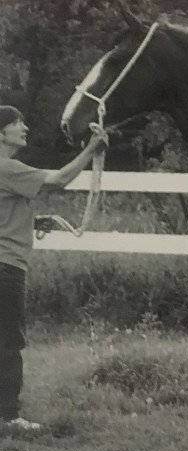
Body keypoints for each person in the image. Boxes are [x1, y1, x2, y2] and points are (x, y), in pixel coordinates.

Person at [0, 105, 107, 429]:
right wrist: (92, 148)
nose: (25, 127)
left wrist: (34, 219)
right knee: (9, 342)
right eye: (17, 123)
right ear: (1, 133)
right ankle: (8, 417)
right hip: (7, 267)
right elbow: (59, 180)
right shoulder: (8, 168)